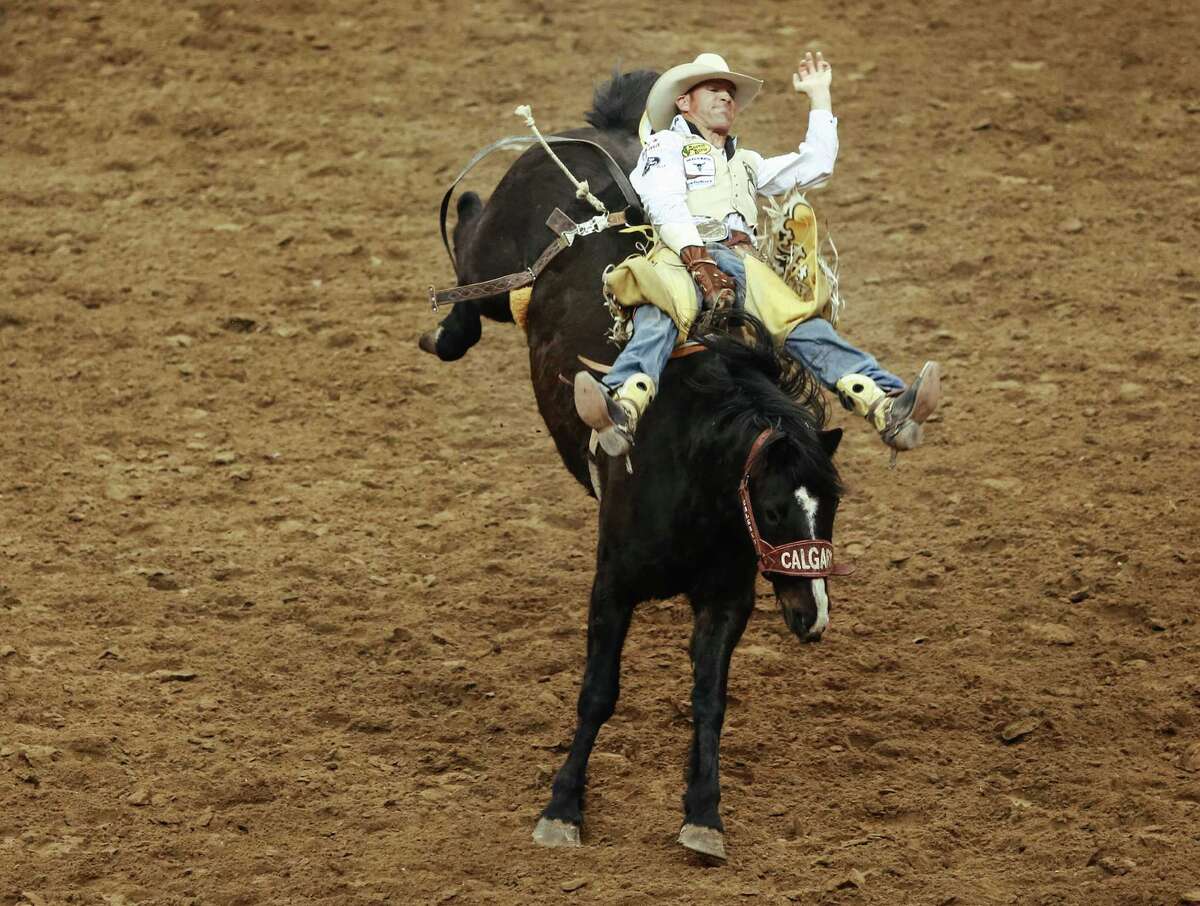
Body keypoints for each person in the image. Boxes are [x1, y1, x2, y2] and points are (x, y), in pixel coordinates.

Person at [574, 52, 942, 458]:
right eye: (713, 90)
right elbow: (664, 202)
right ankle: (622, 404)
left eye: (730, 94)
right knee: (662, 306)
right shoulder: (666, 144)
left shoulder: (747, 162)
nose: (726, 99)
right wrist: (699, 261)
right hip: (682, 253)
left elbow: (816, 166)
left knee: (801, 323)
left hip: (746, 262)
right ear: (684, 103)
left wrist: (820, 97)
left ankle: (886, 404)